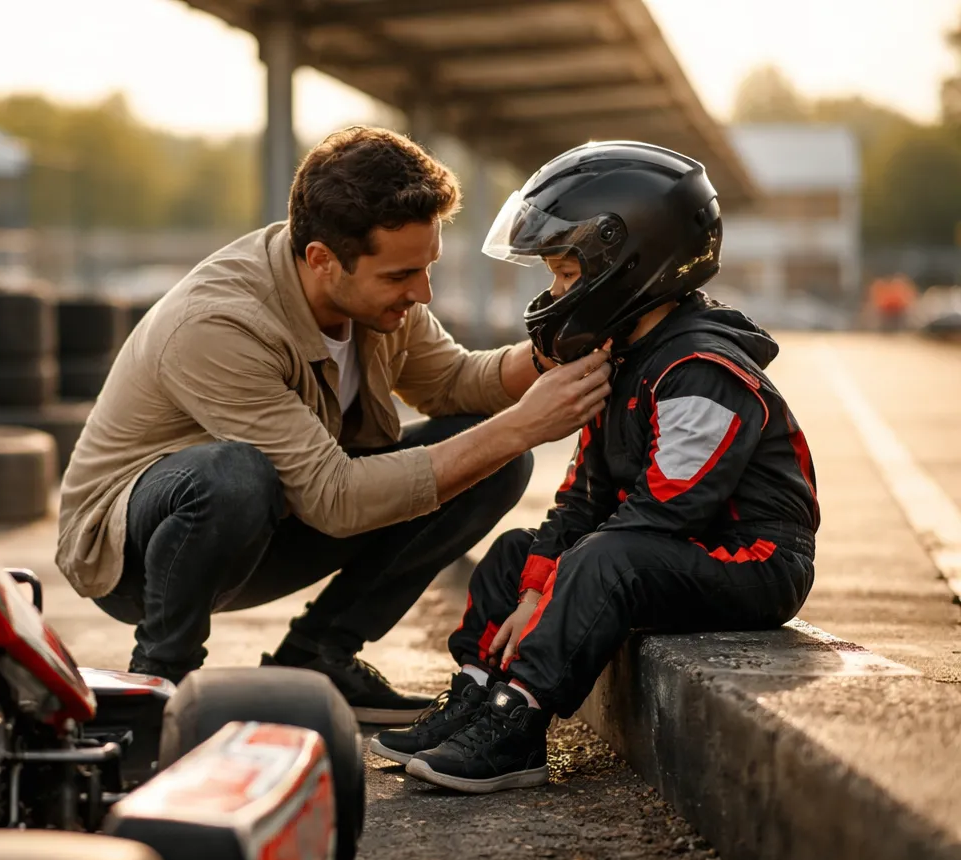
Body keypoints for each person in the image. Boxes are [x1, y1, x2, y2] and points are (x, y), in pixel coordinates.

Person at [55, 126, 614, 723]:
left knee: (491, 461)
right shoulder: (218, 324)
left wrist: (551, 354)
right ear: (322, 259)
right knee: (234, 474)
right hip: (136, 552)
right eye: (401, 276)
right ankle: (161, 683)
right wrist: (522, 426)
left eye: (426, 268)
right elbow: (334, 499)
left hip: (277, 519)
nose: (421, 293)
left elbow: (452, 383)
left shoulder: (372, 296)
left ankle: (318, 655)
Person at [370, 141, 820, 790]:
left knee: (603, 558)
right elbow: (583, 497)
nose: (553, 292)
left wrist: (552, 591)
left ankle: (517, 723)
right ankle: (473, 696)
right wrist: (531, 587)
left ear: (630, 260)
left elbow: (666, 512)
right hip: (665, 550)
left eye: (565, 274)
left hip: (750, 562)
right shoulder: (622, 358)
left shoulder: (700, 369)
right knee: (513, 556)